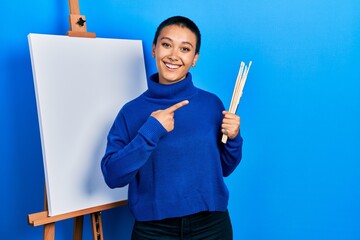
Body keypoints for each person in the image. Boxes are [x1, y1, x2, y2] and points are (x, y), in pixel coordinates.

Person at [101, 16, 243, 240]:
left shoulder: (212, 105)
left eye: (185, 49)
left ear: (194, 58)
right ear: (154, 49)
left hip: (211, 225)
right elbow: (113, 176)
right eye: (167, 45)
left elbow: (224, 168)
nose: (174, 55)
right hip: (154, 230)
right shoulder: (131, 112)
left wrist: (234, 138)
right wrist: (151, 131)